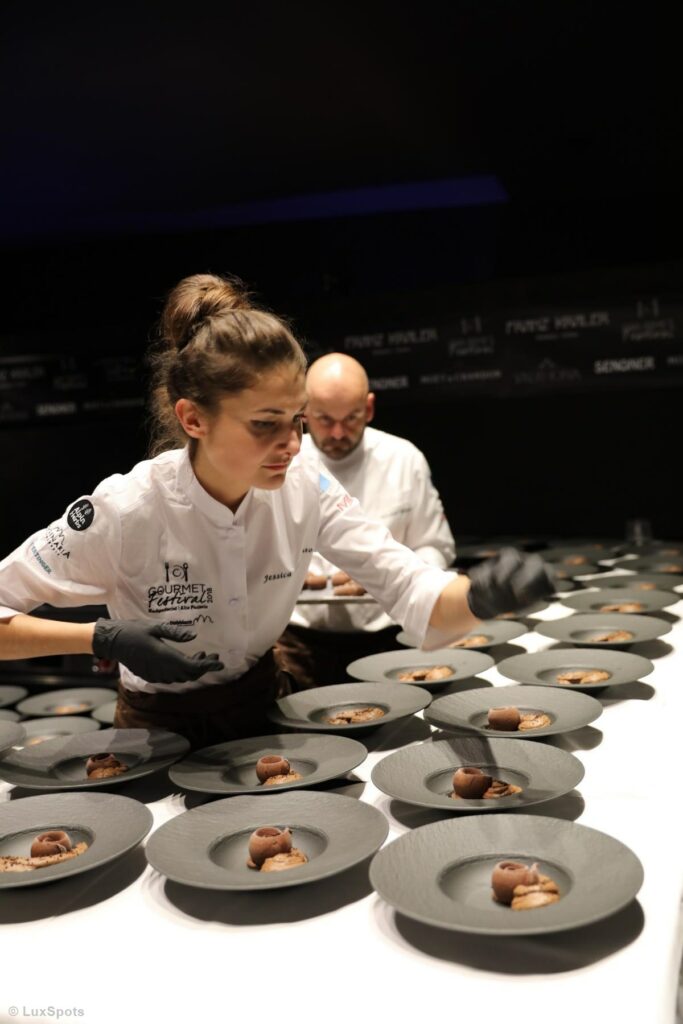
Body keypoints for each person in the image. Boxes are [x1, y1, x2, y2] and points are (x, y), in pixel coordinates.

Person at [0, 273, 553, 750]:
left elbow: (413, 588)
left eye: (297, 419)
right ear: (193, 419)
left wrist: (481, 596)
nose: (291, 444)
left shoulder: (306, 486)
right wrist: (100, 638)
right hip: (155, 731)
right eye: (265, 424)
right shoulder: (126, 509)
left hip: (265, 711)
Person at [276, 352, 456, 688]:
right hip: (299, 640)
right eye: (324, 419)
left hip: (386, 638)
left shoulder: (403, 459)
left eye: (351, 418)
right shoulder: (282, 464)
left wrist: (425, 587)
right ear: (303, 412)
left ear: (369, 408)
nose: (338, 432)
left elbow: (433, 545)